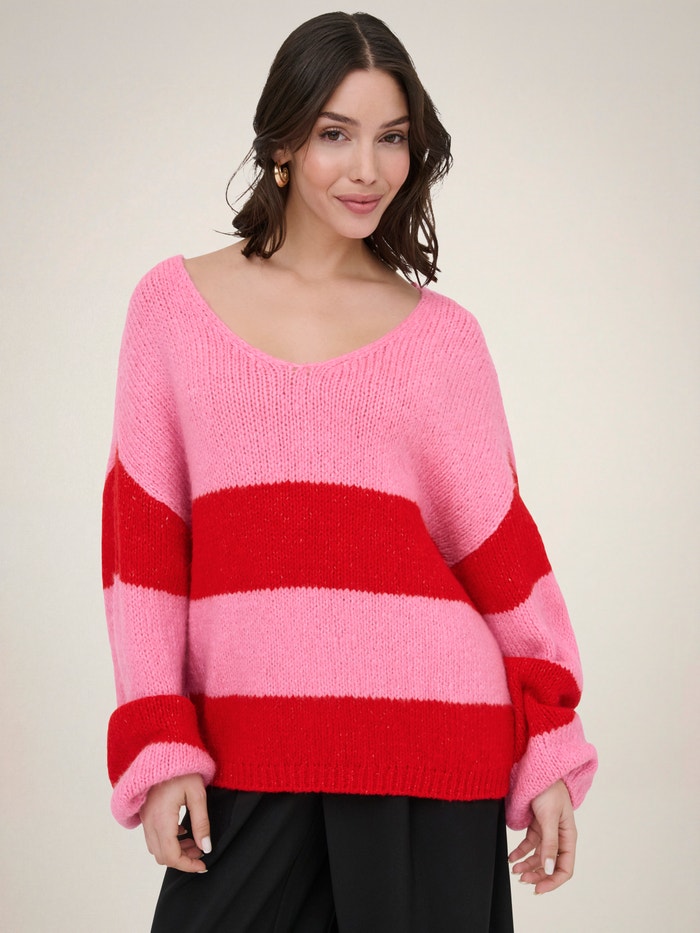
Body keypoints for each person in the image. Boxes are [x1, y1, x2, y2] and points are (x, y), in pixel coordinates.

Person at [102, 11, 597, 932]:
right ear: (282, 142)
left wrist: (550, 742)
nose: (367, 168)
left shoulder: (444, 339)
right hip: (247, 748)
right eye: (336, 134)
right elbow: (144, 552)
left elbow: (501, 555)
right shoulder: (172, 308)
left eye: (392, 138)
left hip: (431, 749)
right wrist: (160, 738)